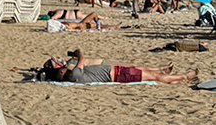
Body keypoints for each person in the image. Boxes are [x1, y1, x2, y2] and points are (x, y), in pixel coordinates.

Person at [42, 47, 197, 84]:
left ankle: (167, 73)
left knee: (144, 70)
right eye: (61, 68)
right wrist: (77, 52)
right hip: (118, 75)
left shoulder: (72, 74)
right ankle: (184, 76)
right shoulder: (74, 75)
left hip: (116, 71)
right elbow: (81, 57)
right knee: (153, 76)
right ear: (61, 72)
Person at [46, 8, 125, 31]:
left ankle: (113, 26)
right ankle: (114, 26)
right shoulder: (60, 14)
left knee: (96, 22)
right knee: (94, 16)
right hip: (80, 23)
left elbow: (53, 19)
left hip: (80, 23)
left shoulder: (61, 19)